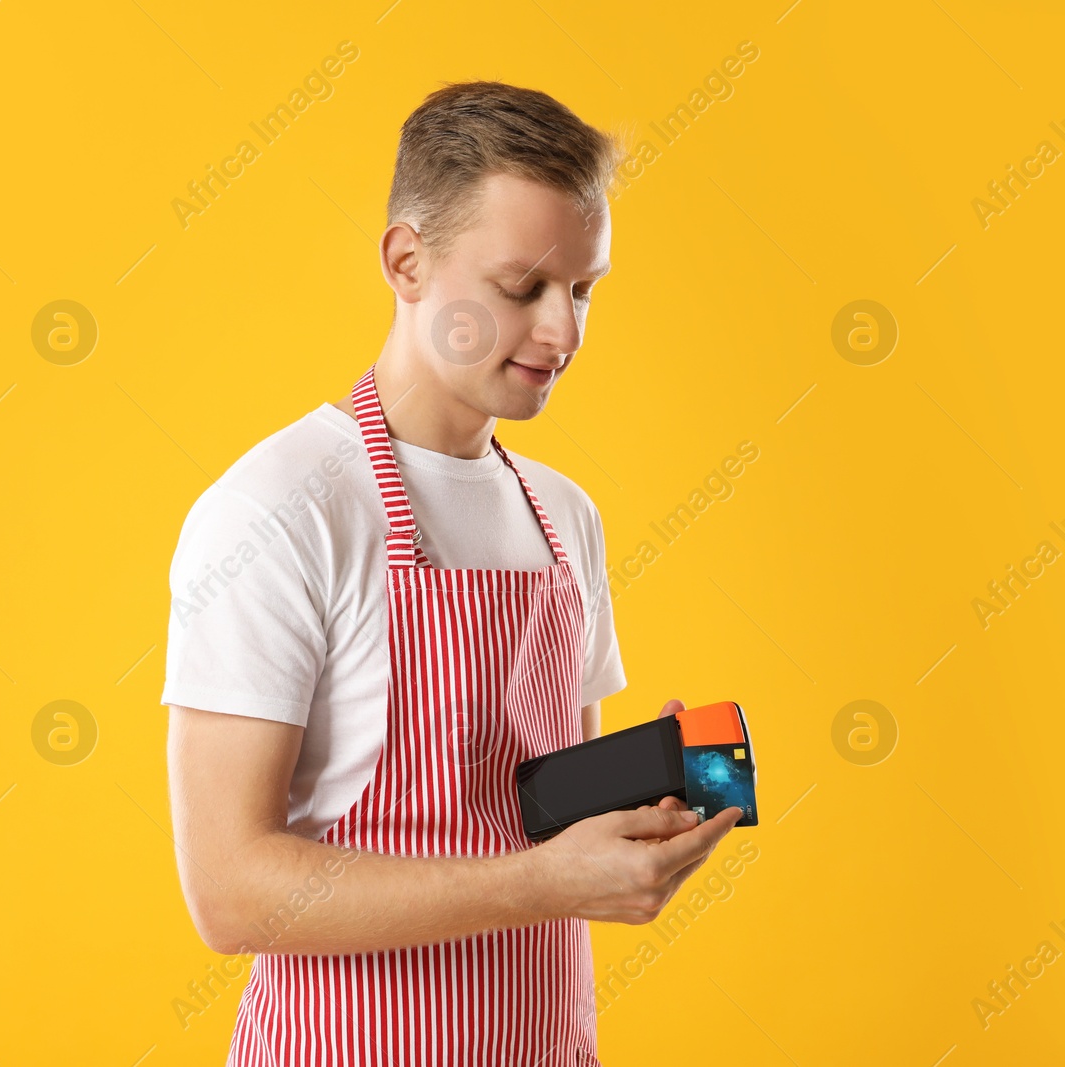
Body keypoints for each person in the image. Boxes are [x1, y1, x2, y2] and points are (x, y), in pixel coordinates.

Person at [161, 80, 743, 1066]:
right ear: (406, 262)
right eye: (523, 287)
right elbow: (230, 889)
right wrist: (540, 883)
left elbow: (535, 816)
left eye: (585, 287)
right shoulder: (279, 512)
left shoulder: (565, 517)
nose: (563, 332)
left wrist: (642, 809)